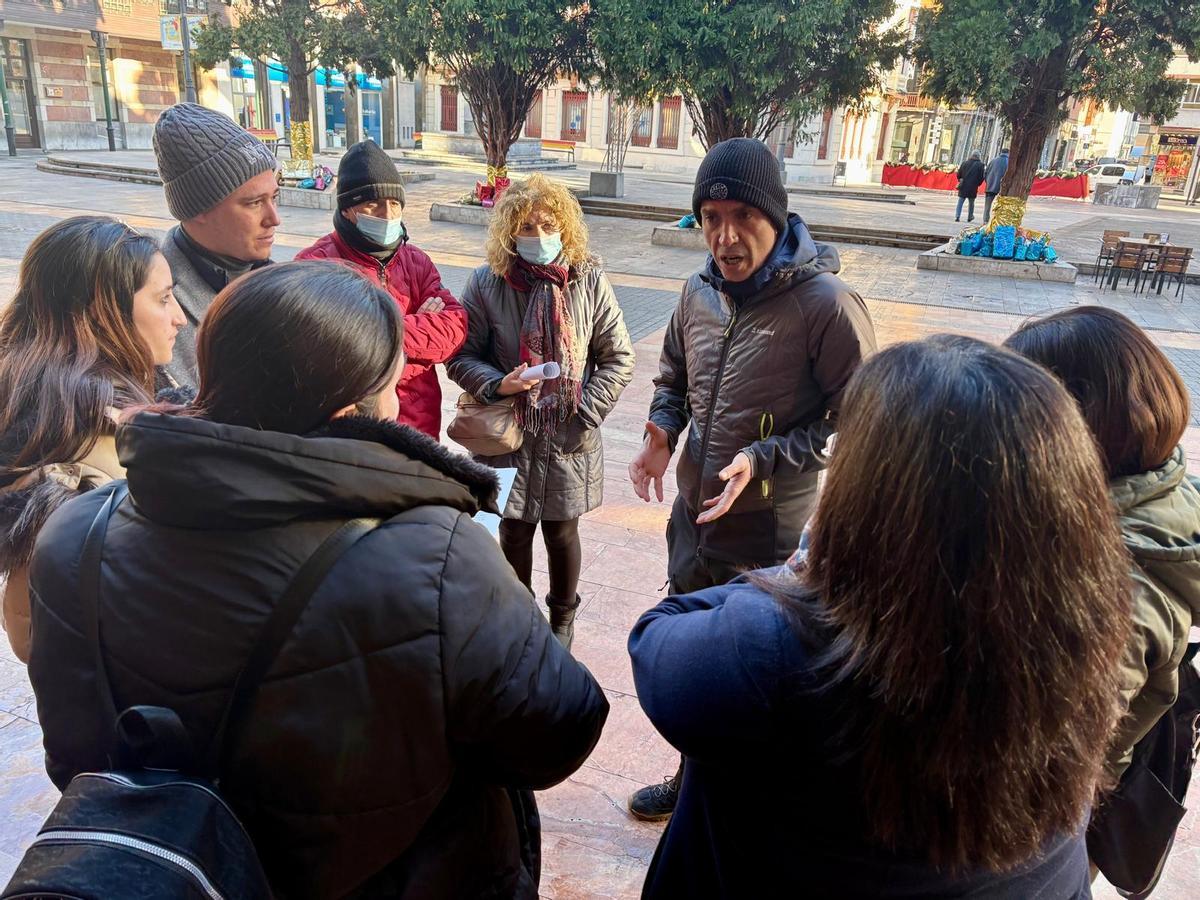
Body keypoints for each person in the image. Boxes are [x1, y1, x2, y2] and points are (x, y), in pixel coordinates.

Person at [27, 261, 609, 900]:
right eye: (390, 385)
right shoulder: (437, 557)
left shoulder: (75, 534)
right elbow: (557, 735)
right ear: (349, 410)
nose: (396, 404)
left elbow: (74, 758)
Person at [629, 335, 1133, 899]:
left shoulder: (779, 650)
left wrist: (800, 572)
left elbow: (656, 640)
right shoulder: (1083, 639)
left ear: (873, 499)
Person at [625, 137, 875, 820]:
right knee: (702, 662)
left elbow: (856, 417)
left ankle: (753, 806)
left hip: (769, 530)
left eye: (743, 217)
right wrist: (659, 431)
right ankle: (694, 784)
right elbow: (674, 376)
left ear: (777, 216)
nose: (726, 237)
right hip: (695, 518)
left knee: (761, 673)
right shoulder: (696, 291)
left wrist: (761, 460)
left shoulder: (827, 305)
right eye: (710, 217)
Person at [1004, 308, 1199, 784]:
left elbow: (1053, 765)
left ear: (1077, 419)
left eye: (1012, 414)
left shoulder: (1115, 591)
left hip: (1051, 824)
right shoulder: (1160, 481)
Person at [447, 174, 635, 650]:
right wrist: (498, 382)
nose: (537, 236)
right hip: (508, 434)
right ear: (509, 232)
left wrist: (584, 411)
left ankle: (562, 622)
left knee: (561, 530)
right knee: (511, 528)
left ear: (565, 227)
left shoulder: (588, 279)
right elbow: (461, 355)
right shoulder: (487, 283)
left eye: (546, 224)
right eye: (525, 227)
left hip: (569, 434)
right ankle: (520, 616)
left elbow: (618, 356)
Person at [0, 216, 183, 663]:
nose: (178, 316)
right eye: (162, 299)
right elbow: (40, 628)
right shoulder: (103, 439)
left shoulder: (42, 406)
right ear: (105, 315)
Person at [297, 140, 467, 438]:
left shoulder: (416, 261)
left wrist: (369, 332)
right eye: (372, 204)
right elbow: (328, 353)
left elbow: (455, 329)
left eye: (394, 204)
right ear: (348, 209)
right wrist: (415, 341)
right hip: (351, 435)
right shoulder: (315, 265)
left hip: (419, 430)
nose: (387, 215)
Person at [152, 102, 279, 388]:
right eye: (254, 203)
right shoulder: (153, 309)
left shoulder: (283, 281)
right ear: (199, 209)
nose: (274, 219)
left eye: (275, 197)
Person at [956, 150, 986, 222]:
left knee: (960, 202)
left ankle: (957, 216)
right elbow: (981, 177)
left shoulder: (964, 163)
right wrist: (978, 183)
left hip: (963, 186)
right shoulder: (981, 165)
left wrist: (960, 180)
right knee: (971, 203)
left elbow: (958, 174)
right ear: (979, 156)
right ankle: (970, 216)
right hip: (973, 187)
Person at [983, 147, 1009, 223]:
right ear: (1008, 153)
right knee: (1001, 206)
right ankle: (998, 222)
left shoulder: (993, 161)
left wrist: (988, 181)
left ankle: (985, 221)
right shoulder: (1008, 162)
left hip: (990, 187)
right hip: (1002, 188)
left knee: (987, 205)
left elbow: (985, 173)